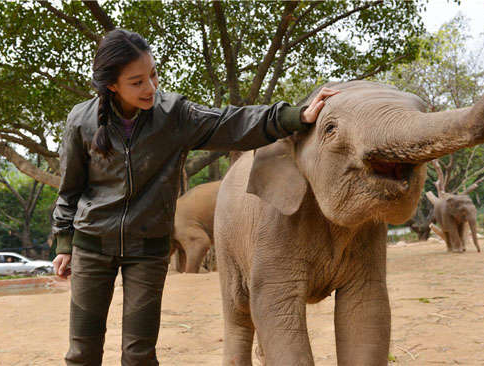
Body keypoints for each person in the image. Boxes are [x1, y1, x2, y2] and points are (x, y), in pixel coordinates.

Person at [51, 29, 338, 366]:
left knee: (138, 353)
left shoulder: (173, 114)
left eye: (153, 75)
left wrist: (293, 116)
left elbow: (231, 123)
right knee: (82, 352)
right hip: (92, 245)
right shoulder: (80, 121)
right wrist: (64, 244)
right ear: (112, 85)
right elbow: (70, 189)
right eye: (137, 82)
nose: (151, 88)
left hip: (148, 248)